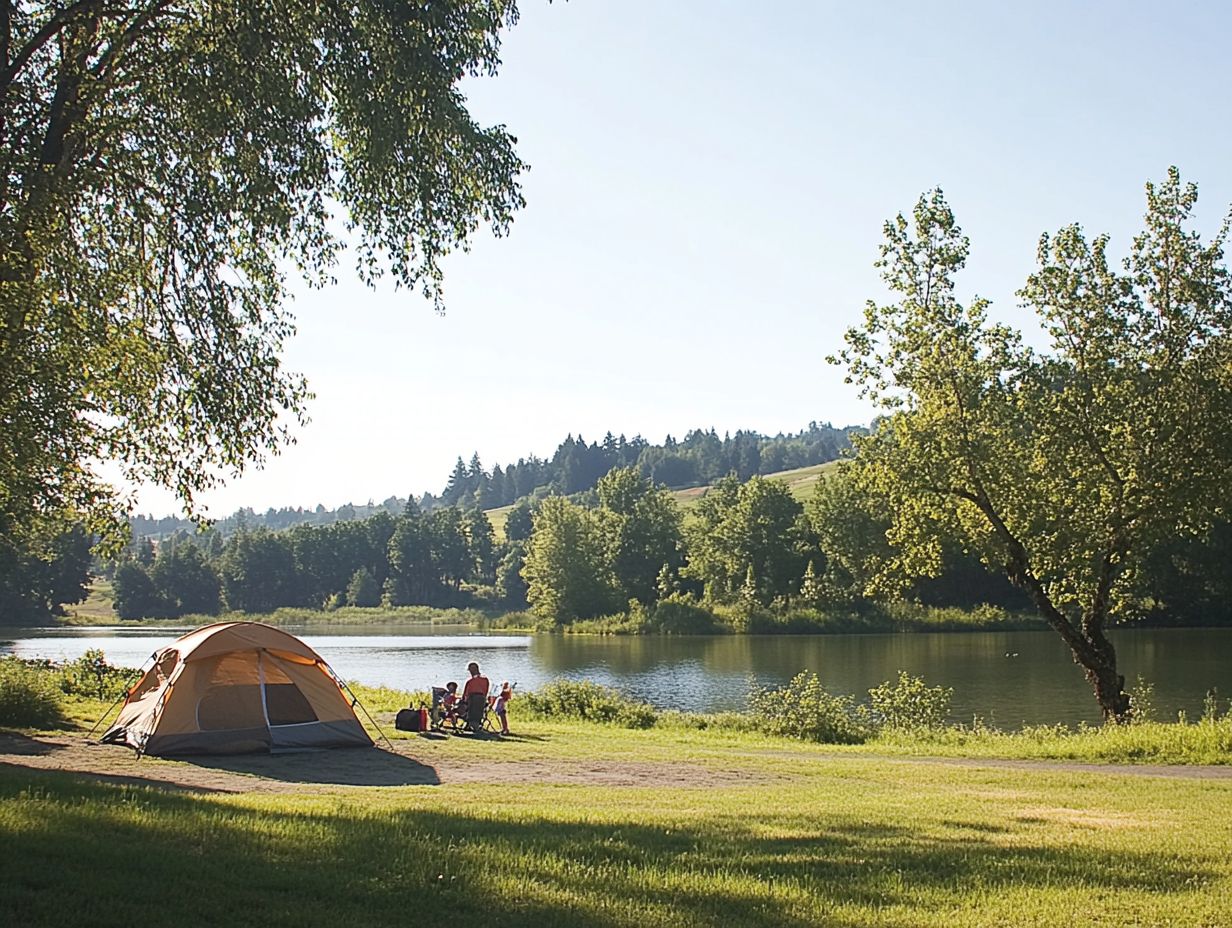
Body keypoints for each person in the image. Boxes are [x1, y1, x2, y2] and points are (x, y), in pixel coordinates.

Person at [460, 661, 490, 731]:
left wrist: (463, 700)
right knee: (478, 713)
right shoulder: (485, 679)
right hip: (482, 699)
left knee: (467, 710)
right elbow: (486, 691)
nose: (470, 672)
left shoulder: (470, 681)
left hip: (473, 698)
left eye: (470, 670)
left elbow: (465, 694)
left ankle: (471, 725)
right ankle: (476, 725)